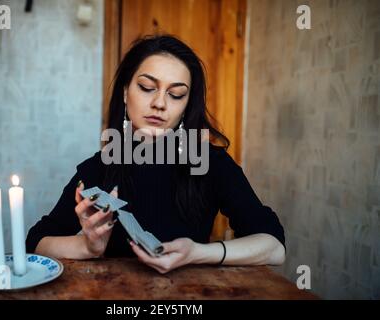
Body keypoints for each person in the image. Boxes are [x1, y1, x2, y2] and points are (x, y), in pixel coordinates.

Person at [26, 35, 285, 274]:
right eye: (147, 87)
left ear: (185, 106)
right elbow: (36, 241)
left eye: (176, 94)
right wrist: (89, 247)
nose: (160, 103)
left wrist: (198, 253)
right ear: (126, 93)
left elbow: (274, 247)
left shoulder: (210, 163)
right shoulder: (98, 167)